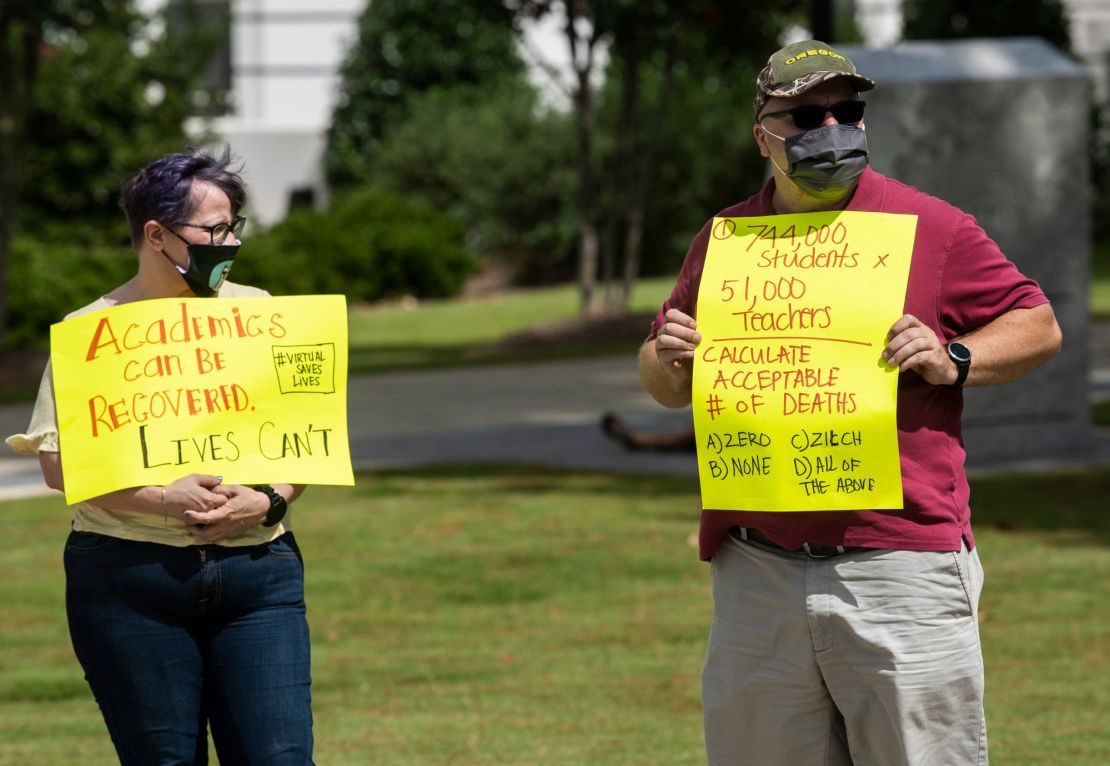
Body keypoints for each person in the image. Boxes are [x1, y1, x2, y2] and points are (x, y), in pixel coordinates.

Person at [639, 41, 1061, 766]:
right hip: (757, 571)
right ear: (761, 135)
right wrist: (668, 359)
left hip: (901, 567)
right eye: (805, 115)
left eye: (848, 111)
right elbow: (663, 377)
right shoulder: (727, 239)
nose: (830, 128)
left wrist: (953, 358)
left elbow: (1038, 324)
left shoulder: (932, 227)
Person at [7, 147, 315, 764]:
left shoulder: (260, 313)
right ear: (157, 235)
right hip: (128, 580)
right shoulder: (92, 331)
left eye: (235, 228)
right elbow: (58, 464)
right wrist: (163, 500)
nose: (229, 244)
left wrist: (267, 499)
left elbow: (305, 441)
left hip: (259, 573)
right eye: (214, 230)